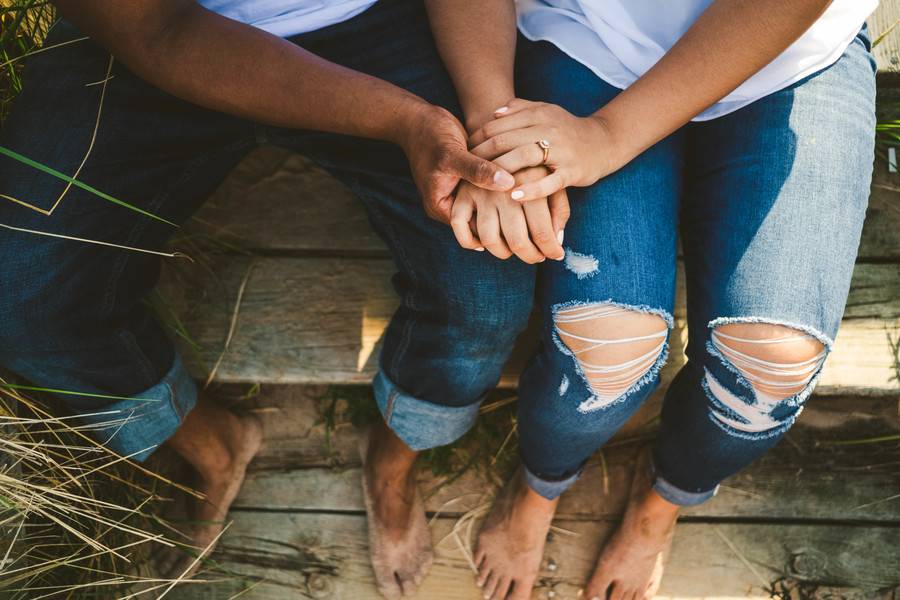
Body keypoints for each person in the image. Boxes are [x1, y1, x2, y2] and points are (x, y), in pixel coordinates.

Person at [0, 0, 568, 586]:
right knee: (20, 300)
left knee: (487, 295)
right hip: (154, 39)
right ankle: (213, 446)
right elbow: (160, 31)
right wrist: (405, 121)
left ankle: (397, 459)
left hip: (385, 20)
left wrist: (488, 129)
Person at [422, 0, 878, 599]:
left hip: (789, 54)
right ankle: (540, 482)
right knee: (606, 346)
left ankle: (664, 498)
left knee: (770, 364)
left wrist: (609, 136)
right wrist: (497, 135)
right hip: (590, 34)